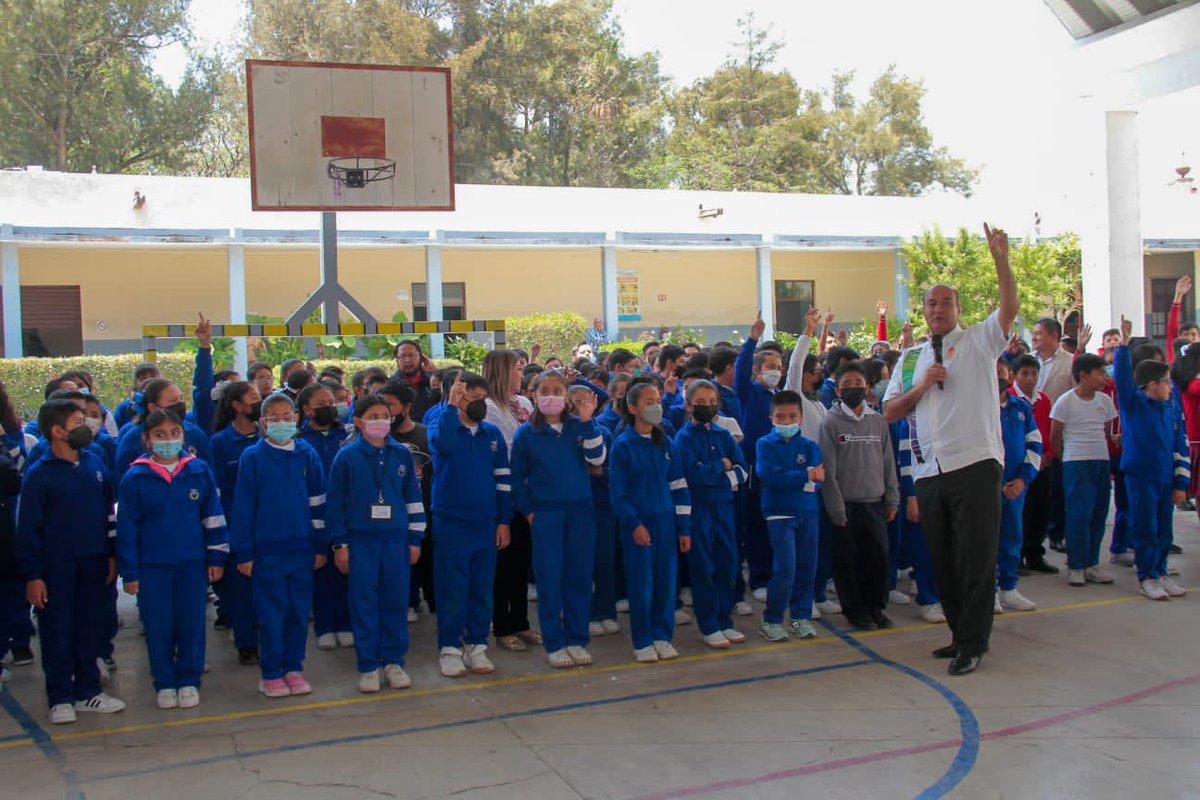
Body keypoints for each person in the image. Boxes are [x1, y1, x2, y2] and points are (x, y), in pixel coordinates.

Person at [883, 222, 1018, 677]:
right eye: (931, 303)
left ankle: (975, 643)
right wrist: (921, 386)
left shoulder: (979, 341)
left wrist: (1001, 261)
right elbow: (890, 412)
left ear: (959, 309)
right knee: (942, 561)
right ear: (923, 312)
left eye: (946, 302)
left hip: (974, 463)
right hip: (928, 470)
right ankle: (959, 634)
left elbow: (1009, 306)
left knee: (975, 558)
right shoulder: (909, 359)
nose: (938, 309)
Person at [17, 399, 126, 724]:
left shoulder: (94, 463)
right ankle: (60, 696)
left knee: (89, 627)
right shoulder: (39, 475)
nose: (87, 426)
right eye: (79, 422)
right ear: (58, 431)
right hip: (56, 567)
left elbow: (108, 512)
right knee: (57, 629)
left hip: (94, 561)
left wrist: (110, 555)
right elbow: (29, 529)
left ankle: (88, 692)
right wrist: (33, 575)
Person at [117, 409, 228, 710]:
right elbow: (127, 528)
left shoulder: (199, 470)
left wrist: (216, 555)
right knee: (158, 625)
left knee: (191, 623)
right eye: (160, 435)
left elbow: (213, 516)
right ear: (147, 440)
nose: (168, 440)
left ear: (184, 436)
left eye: (174, 434)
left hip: (192, 563)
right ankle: (164, 681)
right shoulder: (135, 477)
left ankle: (189, 679)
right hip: (153, 567)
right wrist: (130, 572)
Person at [229, 393, 327, 699]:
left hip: (302, 550)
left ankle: (294, 668)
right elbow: (243, 508)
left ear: (297, 419)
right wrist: (244, 551)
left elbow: (318, 503)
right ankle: (271, 672)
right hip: (267, 552)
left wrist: (321, 545)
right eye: (274, 418)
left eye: (288, 416)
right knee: (272, 614)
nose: (282, 422)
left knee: (298, 612)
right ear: (262, 423)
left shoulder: (306, 454)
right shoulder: (253, 458)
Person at [325, 395, 425, 693]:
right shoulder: (346, 457)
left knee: (395, 601)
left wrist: (415, 537)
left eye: (385, 415)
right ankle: (368, 664)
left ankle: (394, 661)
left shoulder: (402, 455)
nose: (381, 421)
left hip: (395, 540)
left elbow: (413, 498)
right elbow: (335, 504)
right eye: (373, 416)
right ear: (358, 421)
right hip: (361, 541)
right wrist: (340, 545)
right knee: (364, 602)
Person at [510, 370, 605, 668]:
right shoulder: (526, 433)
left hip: (581, 512)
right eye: (544, 391)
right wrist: (529, 511)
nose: (551, 396)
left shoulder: (581, 427)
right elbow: (517, 479)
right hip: (546, 514)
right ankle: (554, 642)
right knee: (550, 578)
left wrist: (589, 421)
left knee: (578, 577)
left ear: (567, 397)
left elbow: (598, 458)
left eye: (557, 391)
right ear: (533, 395)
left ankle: (577, 638)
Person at [430, 373, 512, 678]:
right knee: (452, 586)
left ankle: (477, 644)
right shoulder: (442, 425)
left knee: (481, 586)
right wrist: (451, 407)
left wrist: (503, 521)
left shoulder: (492, 435)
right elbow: (444, 445)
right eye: (470, 398)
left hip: (486, 522)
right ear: (456, 398)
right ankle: (450, 647)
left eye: (481, 399)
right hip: (450, 521)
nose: (478, 404)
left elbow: (503, 481)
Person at [609, 381, 692, 663]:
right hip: (639, 527)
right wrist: (634, 524)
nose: (656, 406)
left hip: (667, 523)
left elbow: (679, 485)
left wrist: (684, 527)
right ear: (632, 408)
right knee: (642, 584)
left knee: (666, 583)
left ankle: (662, 636)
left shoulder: (665, 442)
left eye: (658, 399)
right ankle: (643, 639)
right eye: (649, 401)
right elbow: (618, 495)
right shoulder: (622, 446)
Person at [1113, 317, 1190, 600]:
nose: (1171, 387)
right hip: (1140, 475)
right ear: (1151, 384)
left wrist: (1181, 481)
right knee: (1145, 527)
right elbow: (1121, 379)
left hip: (1165, 476)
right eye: (1166, 382)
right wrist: (1122, 346)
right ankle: (1146, 576)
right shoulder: (1134, 405)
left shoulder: (1169, 408)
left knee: (1164, 528)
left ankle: (1161, 571)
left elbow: (1180, 443)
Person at [821, 363, 899, 632]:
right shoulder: (830, 423)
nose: (853, 389)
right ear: (838, 388)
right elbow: (828, 471)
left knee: (877, 559)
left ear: (867, 387)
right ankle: (855, 611)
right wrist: (836, 508)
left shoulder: (877, 421)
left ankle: (876, 608)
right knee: (848, 561)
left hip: (874, 503)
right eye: (847, 385)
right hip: (846, 506)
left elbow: (889, 463)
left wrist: (892, 499)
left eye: (858, 383)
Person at [674, 380, 747, 648]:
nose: (707, 406)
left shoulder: (723, 434)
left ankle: (725, 619)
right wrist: (721, 466)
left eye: (711, 401)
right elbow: (693, 475)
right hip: (699, 510)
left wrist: (718, 473)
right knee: (703, 566)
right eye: (700, 402)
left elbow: (741, 468)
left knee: (728, 563)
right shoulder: (684, 437)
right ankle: (709, 624)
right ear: (688, 405)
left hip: (724, 507)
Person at [479, 350, 541, 653]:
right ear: (503, 372)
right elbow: (506, 448)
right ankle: (502, 625)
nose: (522, 374)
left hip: (528, 491)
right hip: (503, 494)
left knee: (521, 560)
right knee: (504, 563)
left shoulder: (524, 404)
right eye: (518, 369)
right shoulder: (488, 408)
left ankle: (521, 621)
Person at [755, 390, 824, 641]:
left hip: (808, 511)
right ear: (771, 418)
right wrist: (804, 476)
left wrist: (801, 478)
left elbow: (817, 481)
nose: (786, 422)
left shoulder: (810, 446)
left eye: (792, 416)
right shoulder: (764, 444)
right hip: (778, 513)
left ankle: (800, 616)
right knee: (785, 568)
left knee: (807, 566)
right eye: (780, 417)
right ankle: (772, 620)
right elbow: (770, 476)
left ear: (801, 418)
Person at [1050, 353, 1119, 587]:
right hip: (1076, 463)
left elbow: (1106, 431)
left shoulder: (1104, 401)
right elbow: (1055, 436)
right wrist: (1066, 457)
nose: (1104, 377)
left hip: (1100, 461)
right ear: (1083, 375)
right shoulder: (1065, 402)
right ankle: (1076, 565)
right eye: (1100, 373)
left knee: (1099, 513)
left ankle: (1092, 563)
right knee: (1079, 514)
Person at [297, 383, 353, 650]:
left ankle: (345, 623)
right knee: (321, 569)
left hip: (346, 512)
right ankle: (325, 625)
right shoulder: (300, 440)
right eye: (321, 405)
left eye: (332, 402)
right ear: (307, 410)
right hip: (315, 513)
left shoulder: (348, 435)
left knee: (346, 569)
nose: (330, 408)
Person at [209, 381, 262, 663]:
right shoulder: (220, 442)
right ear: (237, 406)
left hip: (268, 525)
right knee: (239, 588)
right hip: (235, 526)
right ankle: (246, 644)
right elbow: (217, 490)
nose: (259, 402)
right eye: (253, 398)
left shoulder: (266, 437)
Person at [735, 311, 782, 603]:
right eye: (769, 366)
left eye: (778, 366)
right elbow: (740, 369)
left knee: (776, 522)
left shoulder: (781, 396)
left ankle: (778, 574)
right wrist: (752, 340)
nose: (775, 370)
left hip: (779, 469)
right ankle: (759, 577)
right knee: (755, 525)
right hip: (753, 469)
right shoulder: (748, 392)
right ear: (757, 371)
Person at [380, 382, 435, 622]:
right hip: (391, 516)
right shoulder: (378, 438)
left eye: (390, 405)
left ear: (407, 407)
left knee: (428, 560)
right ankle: (407, 601)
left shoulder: (426, 434)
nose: (386, 412)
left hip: (426, 512)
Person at [995, 360, 1041, 613]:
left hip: (1016, 487)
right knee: (987, 541)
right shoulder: (978, 408)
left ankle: (1008, 588)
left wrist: (1023, 479)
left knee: (1012, 538)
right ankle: (988, 591)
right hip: (989, 486)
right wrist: (997, 484)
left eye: (1002, 373)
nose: (998, 378)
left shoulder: (1021, 407)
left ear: (1009, 376)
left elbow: (1034, 445)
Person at [1008, 355, 1060, 575]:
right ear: (1014, 376)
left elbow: (1045, 433)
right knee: (1021, 513)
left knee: (1042, 511)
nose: (1030, 379)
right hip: (1020, 466)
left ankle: (1035, 554)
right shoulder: (1009, 399)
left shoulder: (1043, 400)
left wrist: (1048, 454)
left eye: (1034, 374)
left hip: (1042, 464)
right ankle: (1016, 557)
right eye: (1024, 374)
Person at [391, 340, 438, 422]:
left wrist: (436, 372)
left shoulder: (432, 382)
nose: (407, 360)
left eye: (411, 356)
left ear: (421, 358)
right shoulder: (390, 385)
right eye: (402, 357)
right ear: (397, 361)